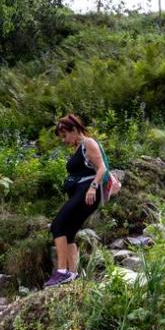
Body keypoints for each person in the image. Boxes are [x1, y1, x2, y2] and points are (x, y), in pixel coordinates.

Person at [44, 114, 106, 287]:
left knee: (57, 225)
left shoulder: (88, 143)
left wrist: (93, 187)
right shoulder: (79, 147)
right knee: (69, 231)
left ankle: (62, 272)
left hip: (87, 191)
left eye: (65, 135)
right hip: (81, 191)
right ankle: (72, 273)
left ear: (74, 129)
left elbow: (102, 168)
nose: (64, 140)